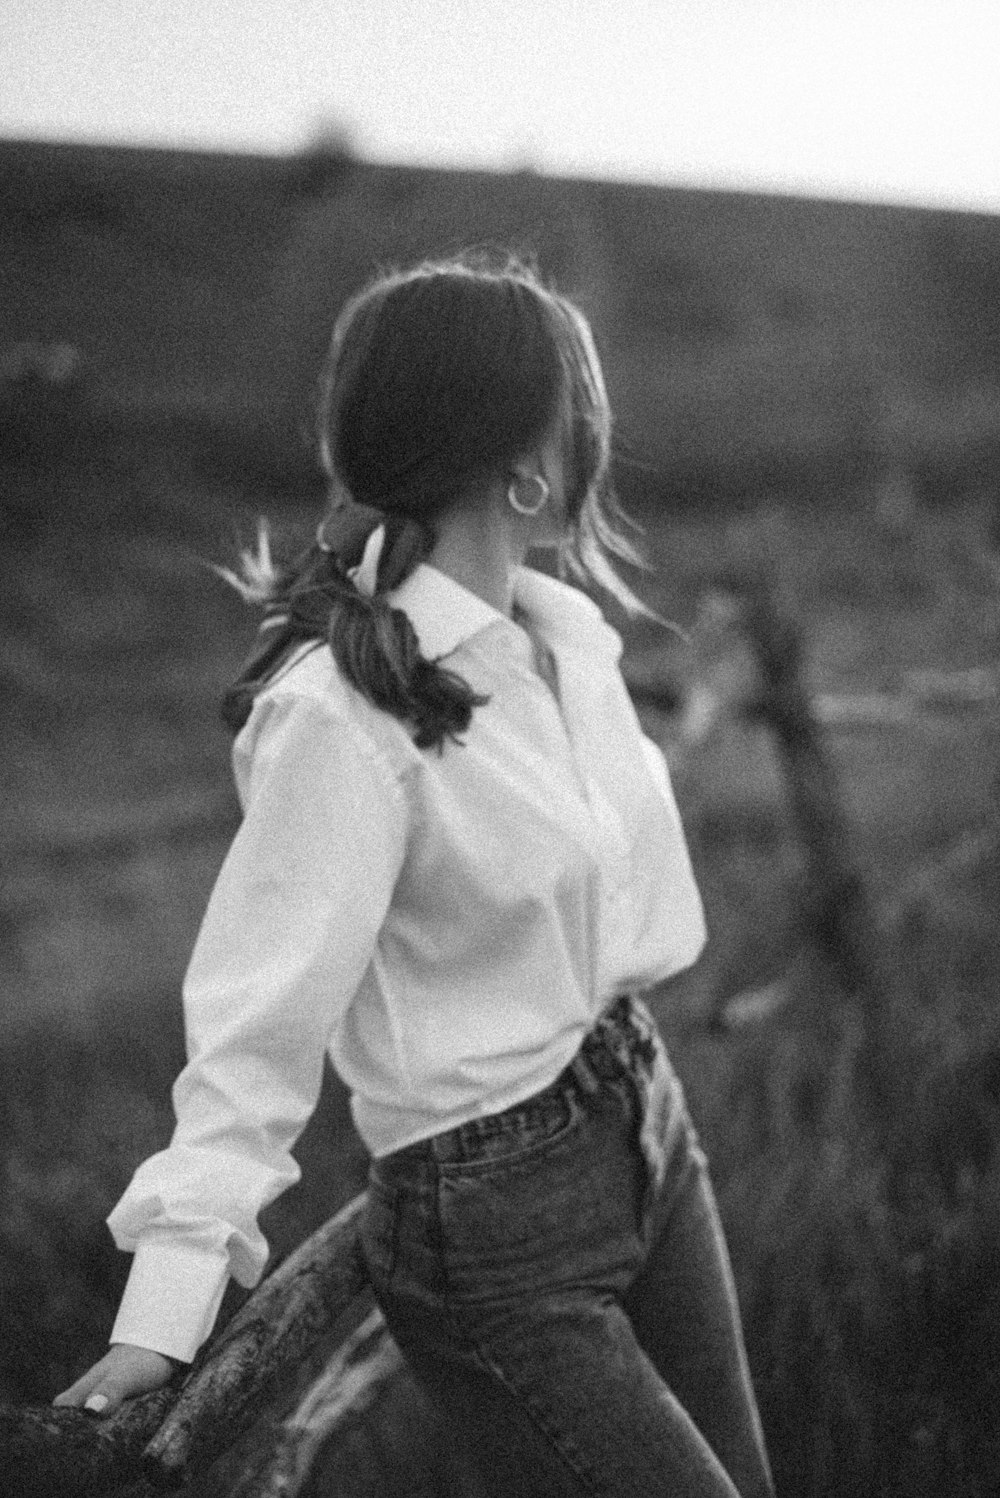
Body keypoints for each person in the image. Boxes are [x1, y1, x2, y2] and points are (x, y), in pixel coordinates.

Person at [55, 253, 775, 1497]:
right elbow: (253, 1024)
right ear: (531, 457)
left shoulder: (563, 640)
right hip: (496, 1217)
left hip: (643, 1111)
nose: (604, 431)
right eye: (582, 401)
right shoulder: (339, 717)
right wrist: (163, 1309)